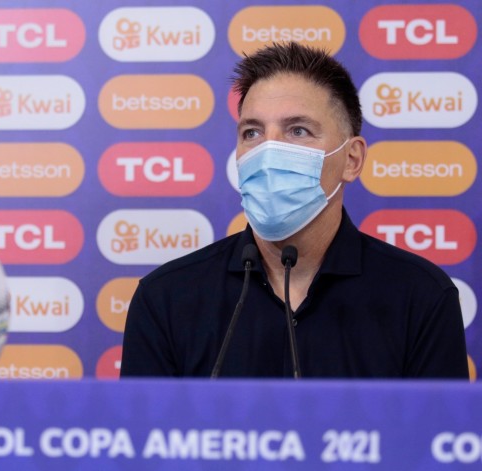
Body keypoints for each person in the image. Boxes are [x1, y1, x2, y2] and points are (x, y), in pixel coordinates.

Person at [120, 41, 469, 379]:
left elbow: (433, 436)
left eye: (298, 130)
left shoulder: (421, 298)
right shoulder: (165, 298)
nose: (269, 151)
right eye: (252, 132)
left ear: (351, 159)